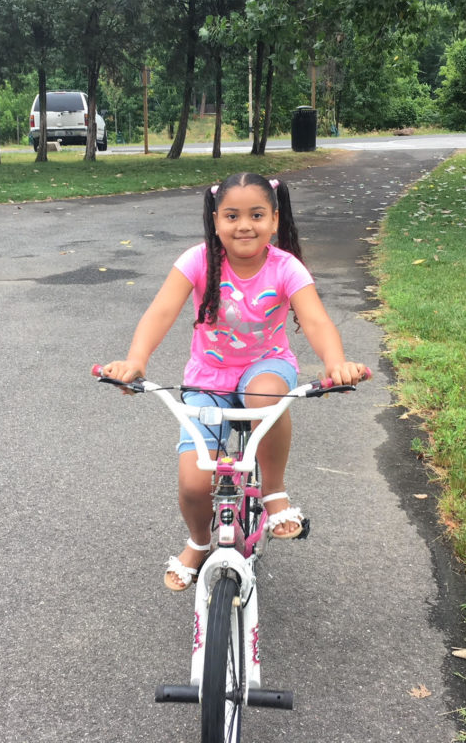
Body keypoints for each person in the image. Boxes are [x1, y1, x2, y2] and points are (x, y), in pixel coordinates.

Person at [102, 172, 366, 591]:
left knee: (267, 398)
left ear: (275, 220)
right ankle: (199, 541)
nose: (244, 225)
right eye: (232, 215)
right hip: (208, 378)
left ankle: (274, 493)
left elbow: (315, 319)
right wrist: (136, 361)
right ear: (215, 220)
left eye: (257, 215)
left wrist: (336, 363)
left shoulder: (286, 267)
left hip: (266, 364)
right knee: (193, 483)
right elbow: (160, 312)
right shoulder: (197, 261)